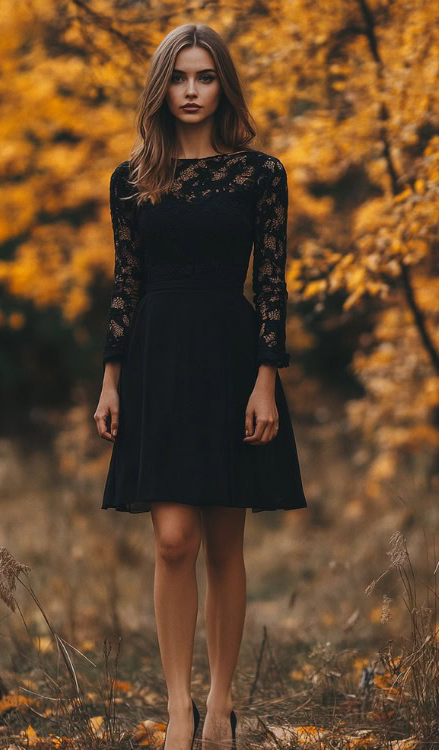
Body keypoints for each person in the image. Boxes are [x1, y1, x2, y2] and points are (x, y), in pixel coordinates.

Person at [94, 22, 308, 750]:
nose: (191, 90)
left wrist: (266, 383)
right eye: (180, 77)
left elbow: (273, 284)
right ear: (162, 86)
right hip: (156, 363)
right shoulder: (132, 179)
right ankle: (178, 711)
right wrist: (111, 381)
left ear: (223, 85)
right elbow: (127, 284)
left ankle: (220, 710)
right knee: (173, 541)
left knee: (223, 542)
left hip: (230, 360)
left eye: (205, 76)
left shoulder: (260, 173)